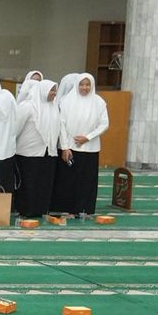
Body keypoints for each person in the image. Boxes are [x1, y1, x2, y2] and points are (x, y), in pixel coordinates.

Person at [57, 73, 111, 219]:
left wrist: (88, 137)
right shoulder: (66, 101)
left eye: (87, 85)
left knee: (87, 179)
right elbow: (61, 125)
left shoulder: (99, 102)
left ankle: (86, 210)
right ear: (77, 85)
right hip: (71, 147)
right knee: (69, 180)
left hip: (91, 148)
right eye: (82, 84)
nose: (84, 88)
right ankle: (69, 210)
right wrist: (65, 147)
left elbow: (104, 124)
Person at [13, 80, 62, 220]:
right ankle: (26, 209)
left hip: (48, 152)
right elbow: (15, 128)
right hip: (28, 152)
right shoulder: (27, 107)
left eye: (55, 90)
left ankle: (41, 208)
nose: (54, 93)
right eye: (52, 90)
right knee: (29, 182)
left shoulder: (54, 107)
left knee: (44, 182)